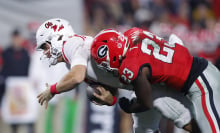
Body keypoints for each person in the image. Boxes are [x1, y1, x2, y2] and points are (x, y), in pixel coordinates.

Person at [36, 18, 197, 133]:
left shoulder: (70, 45)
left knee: (185, 120)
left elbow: (76, 77)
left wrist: (52, 90)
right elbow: (111, 88)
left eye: (45, 46)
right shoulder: (71, 59)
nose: (45, 53)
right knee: (144, 129)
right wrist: (109, 99)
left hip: (145, 78)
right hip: (137, 84)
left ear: (57, 36)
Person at [90, 27, 220, 133]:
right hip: (199, 74)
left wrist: (128, 107)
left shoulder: (130, 67)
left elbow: (146, 103)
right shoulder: (133, 33)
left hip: (201, 83)